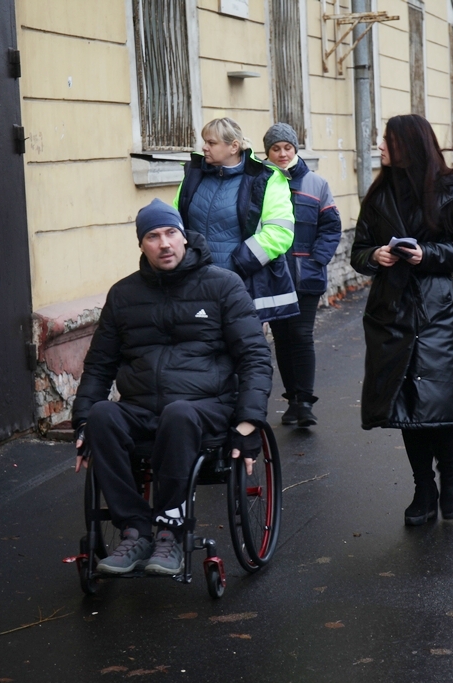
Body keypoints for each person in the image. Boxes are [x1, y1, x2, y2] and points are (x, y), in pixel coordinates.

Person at [71, 200, 272, 576]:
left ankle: (169, 533)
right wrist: (82, 421)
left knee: (178, 414)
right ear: (141, 245)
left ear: (184, 237)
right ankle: (135, 529)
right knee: (102, 415)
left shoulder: (223, 286)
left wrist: (249, 424)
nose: (164, 243)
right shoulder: (123, 295)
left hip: (205, 407)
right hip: (141, 407)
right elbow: (100, 364)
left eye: (170, 233)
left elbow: (255, 359)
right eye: (153, 236)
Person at [350, 114, 453, 526]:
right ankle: (423, 486)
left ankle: (450, 468)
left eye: (387, 140)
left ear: (408, 143)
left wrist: (429, 255)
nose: (380, 146)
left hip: (437, 309)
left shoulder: (448, 189)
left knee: (433, 398)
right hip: (391, 310)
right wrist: (376, 256)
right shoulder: (378, 193)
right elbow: (359, 250)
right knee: (406, 400)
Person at [174, 117, 298, 322]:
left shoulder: (266, 178)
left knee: (241, 347)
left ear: (233, 147)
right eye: (204, 141)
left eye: (211, 143)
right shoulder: (194, 174)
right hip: (194, 281)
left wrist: (239, 263)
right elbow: (176, 221)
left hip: (241, 284)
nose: (204, 148)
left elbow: (280, 232)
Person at [263, 123, 343, 428]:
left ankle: (306, 402)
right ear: (267, 152)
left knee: (301, 334)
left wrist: (317, 261)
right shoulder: (262, 182)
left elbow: (331, 227)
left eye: (287, 147)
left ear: (295, 149)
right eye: (275, 148)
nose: (282, 154)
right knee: (282, 337)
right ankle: (292, 401)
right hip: (274, 275)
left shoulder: (316, 184)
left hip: (306, 275)